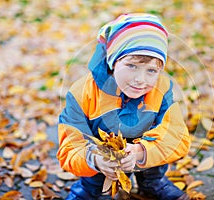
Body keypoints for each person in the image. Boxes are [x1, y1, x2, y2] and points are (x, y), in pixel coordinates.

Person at [57, 13, 191, 200]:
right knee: (91, 185)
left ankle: (152, 183)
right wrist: (95, 158)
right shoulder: (82, 93)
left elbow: (176, 135)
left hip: (142, 158)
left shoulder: (161, 89)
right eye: (132, 66)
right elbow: (69, 145)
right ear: (113, 61)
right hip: (99, 161)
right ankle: (90, 188)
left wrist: (140, 152)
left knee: (156, 146)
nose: (140, 79)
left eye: (151, 70)